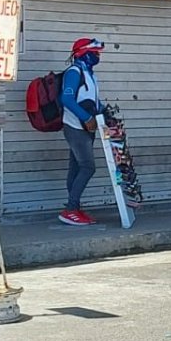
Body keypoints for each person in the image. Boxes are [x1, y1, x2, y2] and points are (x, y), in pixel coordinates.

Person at [58, 37, 105, 226]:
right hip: (75, 127)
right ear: (83, 53)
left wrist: (103, 113)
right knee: (88, 167)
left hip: (87, 127)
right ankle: (70, 209)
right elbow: (66, 99)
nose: (98, 56)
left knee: (76, 168)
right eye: (95, 53)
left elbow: (91, 99)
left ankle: (74, 207)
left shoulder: (89, 74)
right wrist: (86, 118)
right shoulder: (74, 72)